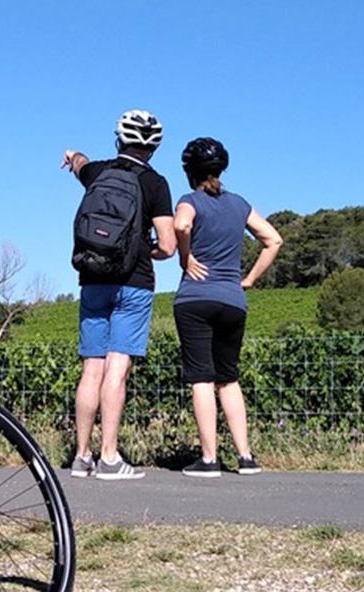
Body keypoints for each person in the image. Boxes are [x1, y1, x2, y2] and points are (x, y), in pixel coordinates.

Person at [62, 110, 176, 480]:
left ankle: (82, 457)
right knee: (118, 367)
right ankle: (110, 457)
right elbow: (170, 245)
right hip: (134, 280)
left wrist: (74, 155)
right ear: (154, 147)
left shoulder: (97, 172)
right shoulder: (156, 184)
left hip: (93, 277)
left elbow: (79, 164)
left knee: (91, 367)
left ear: (119, 139)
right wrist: (150, 250)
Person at [173, 137, 283, 478]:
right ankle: (245, 456)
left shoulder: (190, 201)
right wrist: (248, 279)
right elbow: (273, 239)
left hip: (195, 298)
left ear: (190, 172)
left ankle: (209, 459)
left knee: (202, 380)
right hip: (233, 301)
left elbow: (180, 224)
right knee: (229, 380)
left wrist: (186, 257)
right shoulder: (239, 205)